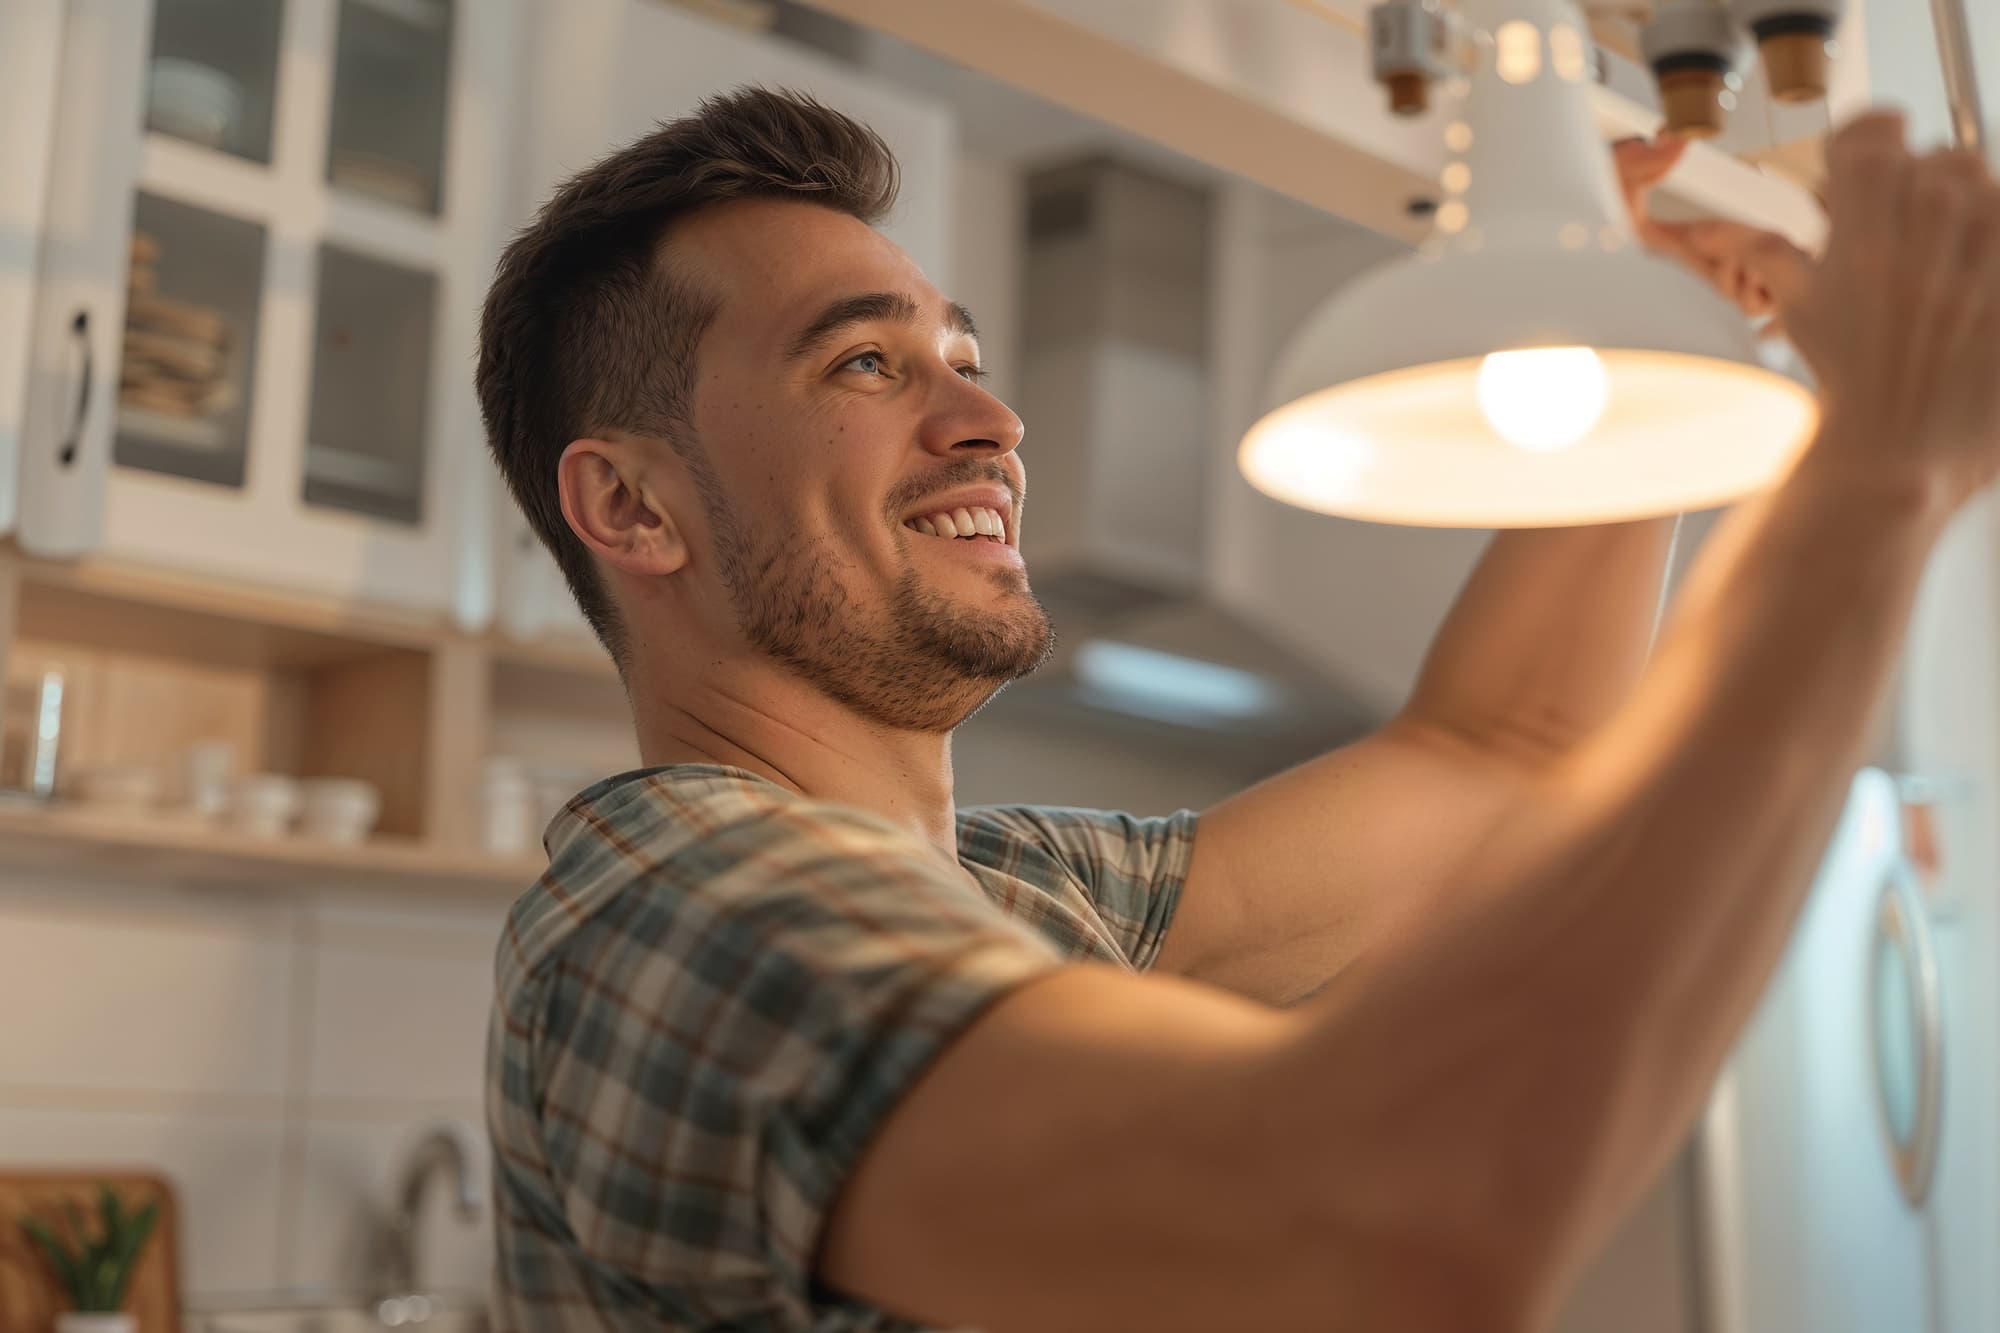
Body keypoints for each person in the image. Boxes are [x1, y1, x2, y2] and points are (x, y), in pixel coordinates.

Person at [475, 86, 2000, 1332]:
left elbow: (1498, 761)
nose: (990, 422)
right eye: (864, 363)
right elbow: (1380, 1231)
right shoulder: (687, 913)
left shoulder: (1007, 890)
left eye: (966, 358)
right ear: (631, 505)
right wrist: (1871, 484)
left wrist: (1644, 337)